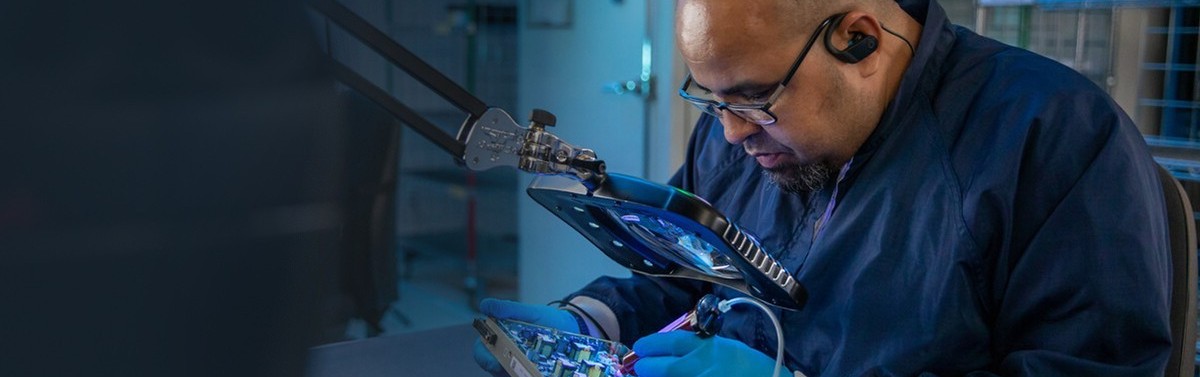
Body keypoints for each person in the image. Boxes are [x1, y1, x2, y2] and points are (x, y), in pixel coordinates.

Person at [475, 0, 1173, 375]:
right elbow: (682, 275)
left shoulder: (1053, 136)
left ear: (859, 39)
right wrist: (587, 322)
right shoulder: (745, 139)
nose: (729, 136)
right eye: (709, 100)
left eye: (751, 99)